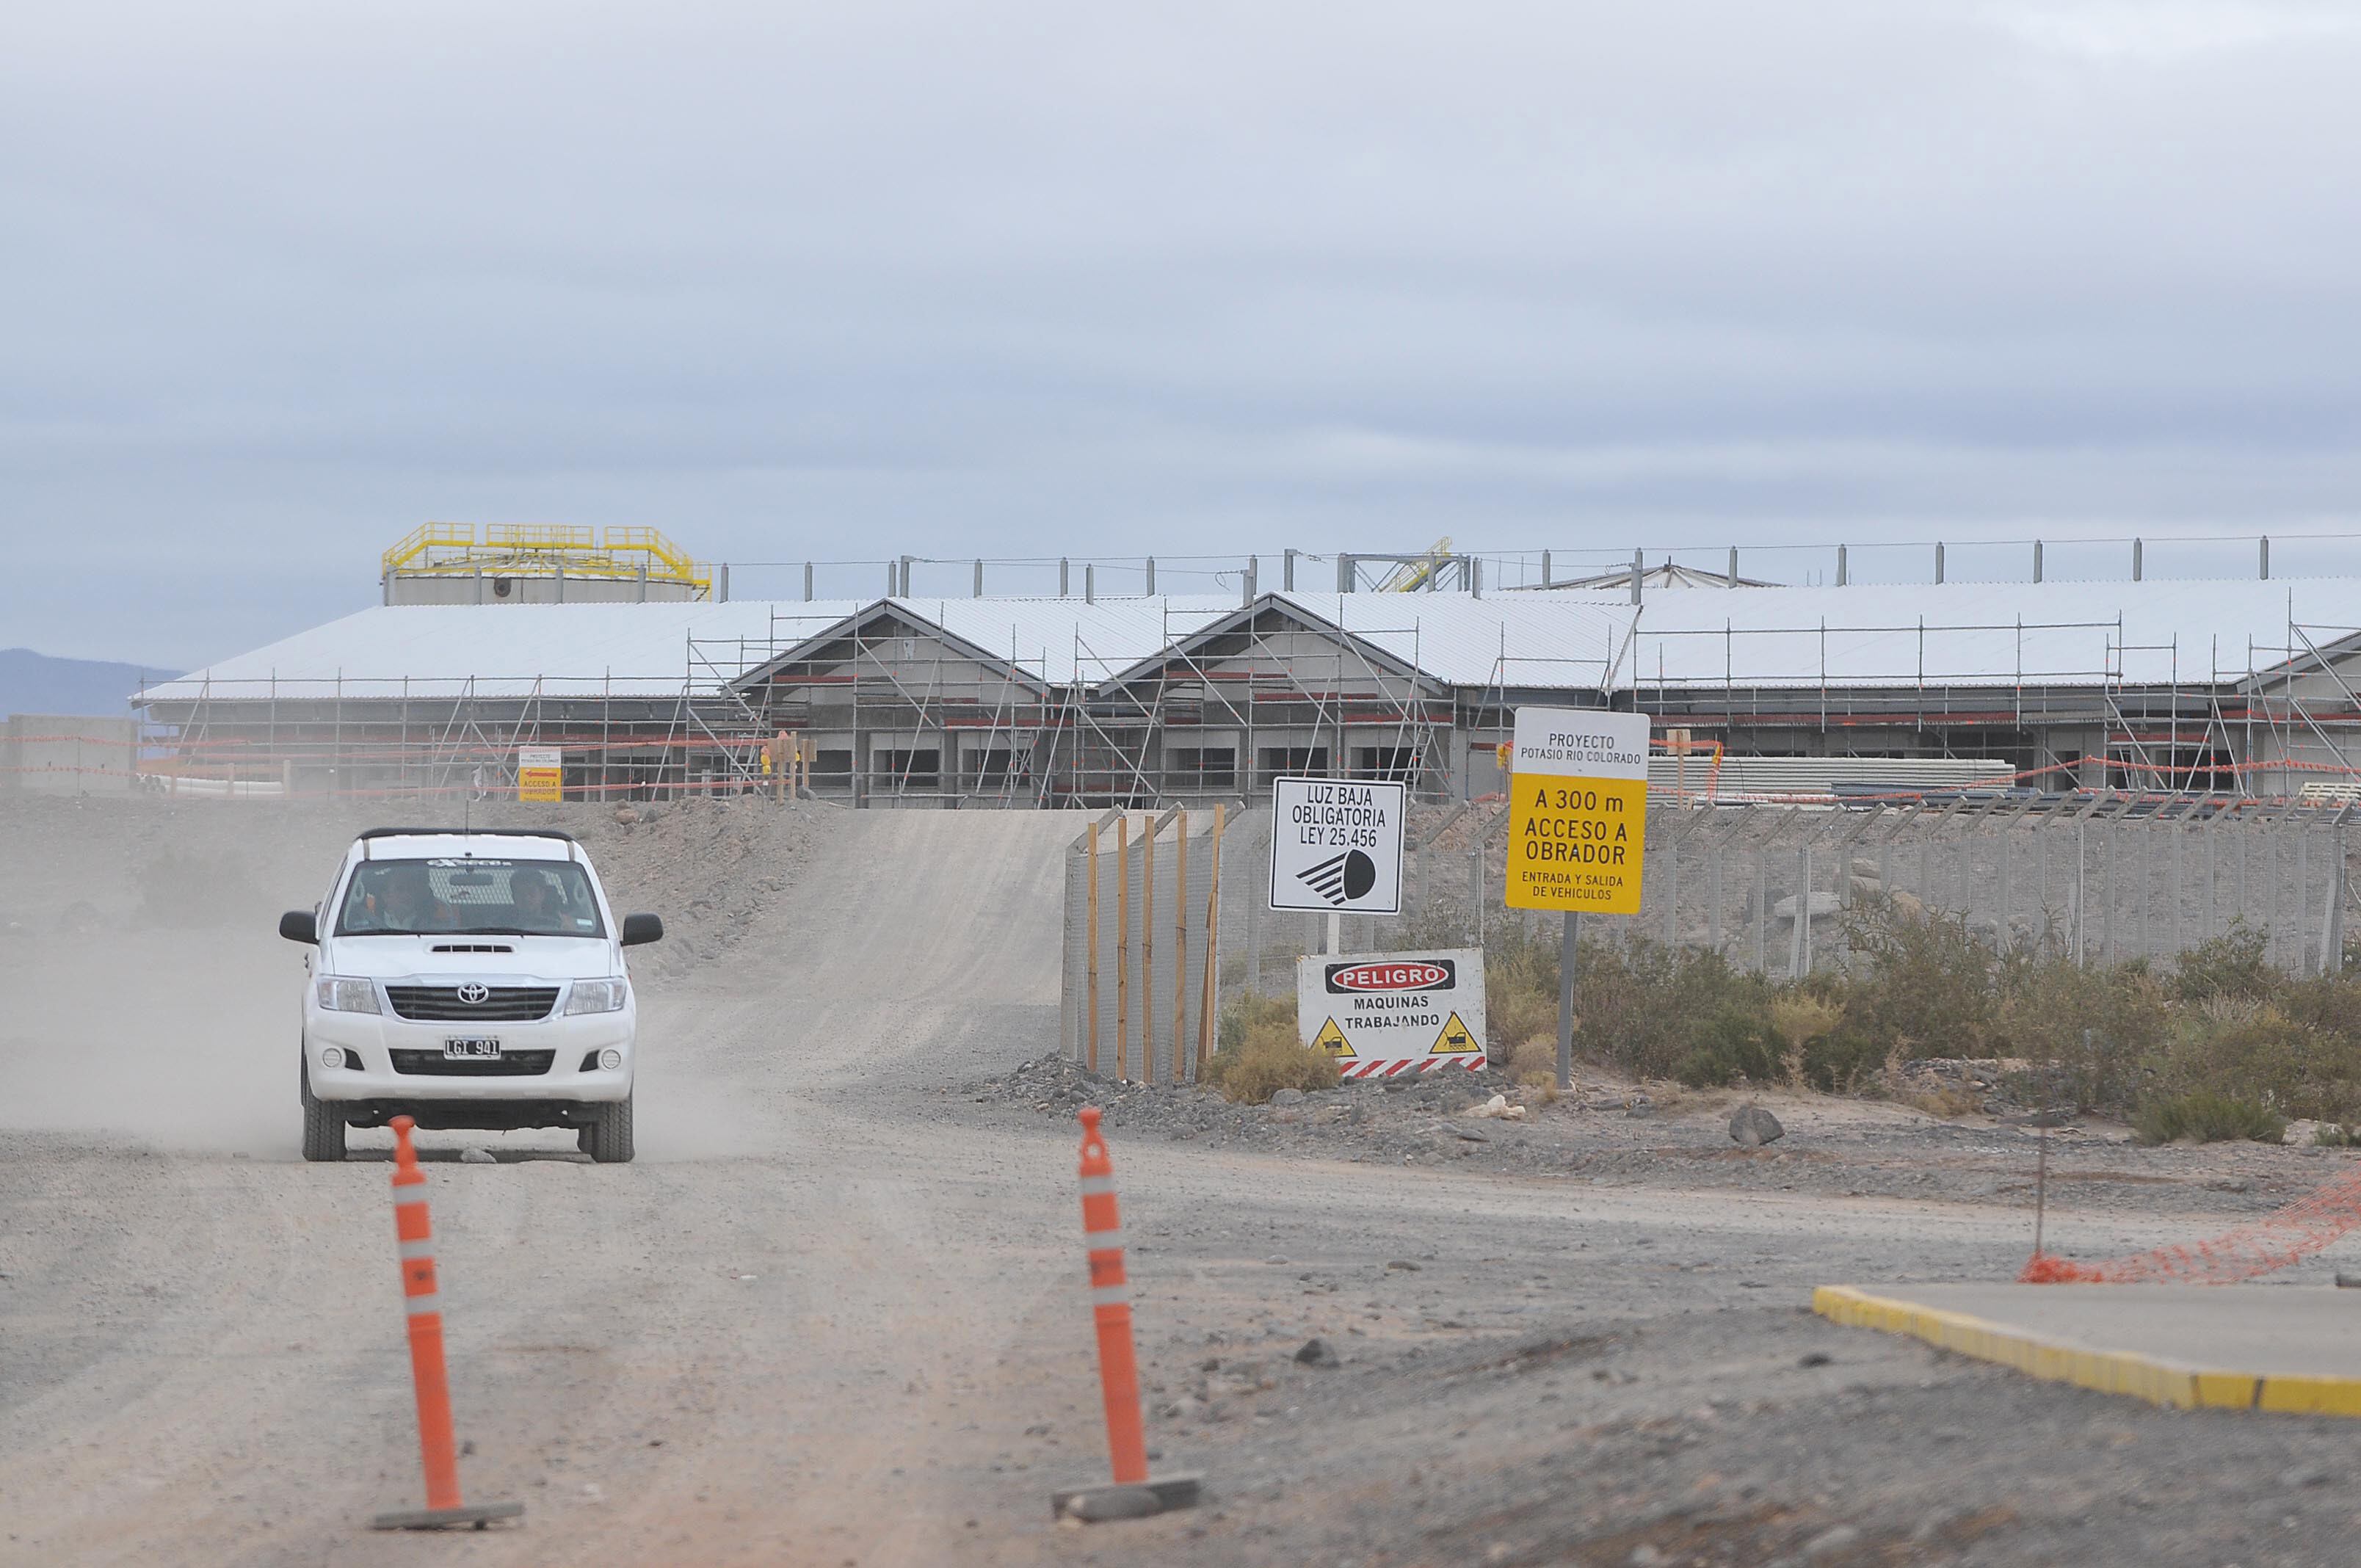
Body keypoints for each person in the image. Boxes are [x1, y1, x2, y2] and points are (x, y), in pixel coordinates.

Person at [375, 863, 451, 933]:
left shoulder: (433, 919)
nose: (406, 894)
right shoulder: (371, 920)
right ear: (386, 896)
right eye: (400, 889)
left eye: (410, 889)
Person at [509, 868, 565, 933]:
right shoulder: (502, 926)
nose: (527, 898)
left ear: (542, 894)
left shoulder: (562, 925)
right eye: (520, 893)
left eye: (531, 892)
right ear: (514, 898)